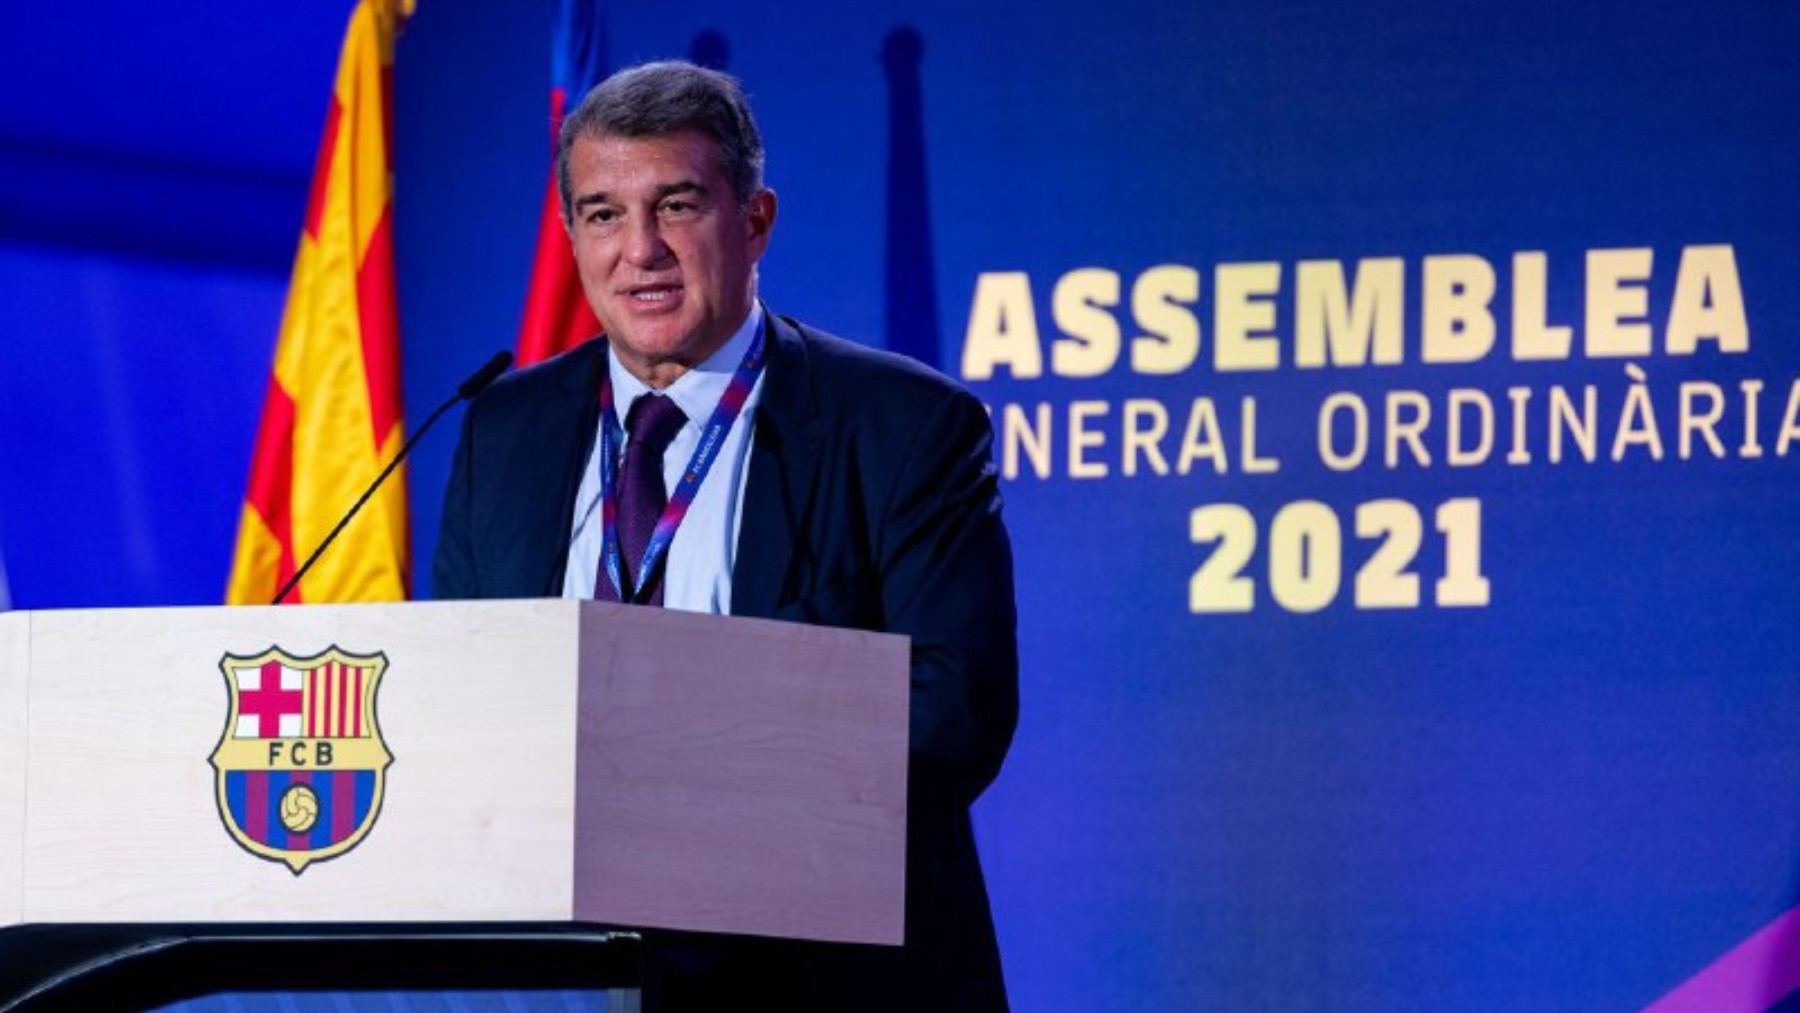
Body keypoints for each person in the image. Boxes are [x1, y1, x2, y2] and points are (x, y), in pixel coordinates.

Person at [434, 60, 1019, 1011]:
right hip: (559, 981)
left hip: (820, 981)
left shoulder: (903, 425)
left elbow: (952, 717)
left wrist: (673, 780)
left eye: (677, 205)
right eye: (602, 214)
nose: (641, 251)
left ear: (755, 222)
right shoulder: (507, 429)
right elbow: (455, 692)